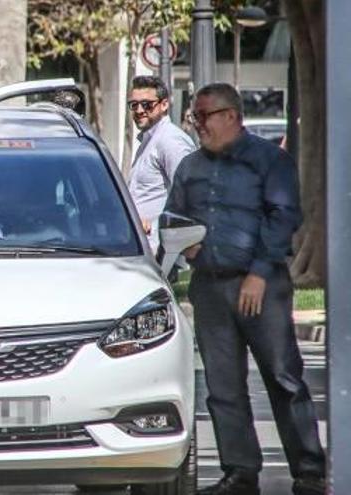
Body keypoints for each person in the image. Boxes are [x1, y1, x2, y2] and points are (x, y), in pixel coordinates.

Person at [166, 83, 325, 495]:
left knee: (283, 378)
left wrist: (258, 272)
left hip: (262, 284)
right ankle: (240, 472)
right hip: (210, 286)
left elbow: (283, 215)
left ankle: (309, 471)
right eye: (194, 116)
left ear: (231, 116)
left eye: (204, 116)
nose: (197, 124)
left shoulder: (269, 161)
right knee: (222, 387)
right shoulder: (190, 167)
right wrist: (185, 243)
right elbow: (173, 215)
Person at [126, 75, 195, 247]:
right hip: (142, 247)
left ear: (164, 105)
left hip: (162, 251)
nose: (140, 110)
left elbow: (191, 197)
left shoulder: (170, 141)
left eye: (147, 104)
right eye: (134, 105)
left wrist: (155, 226)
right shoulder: (149, 140)